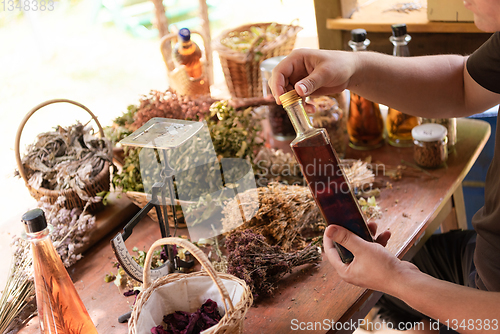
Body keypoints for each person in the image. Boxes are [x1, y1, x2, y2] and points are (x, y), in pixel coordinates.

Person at [268, 0, 500, 332]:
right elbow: (463, 85)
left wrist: (399, 279)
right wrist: (353, 67)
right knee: (386, 291)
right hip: (485, 262)